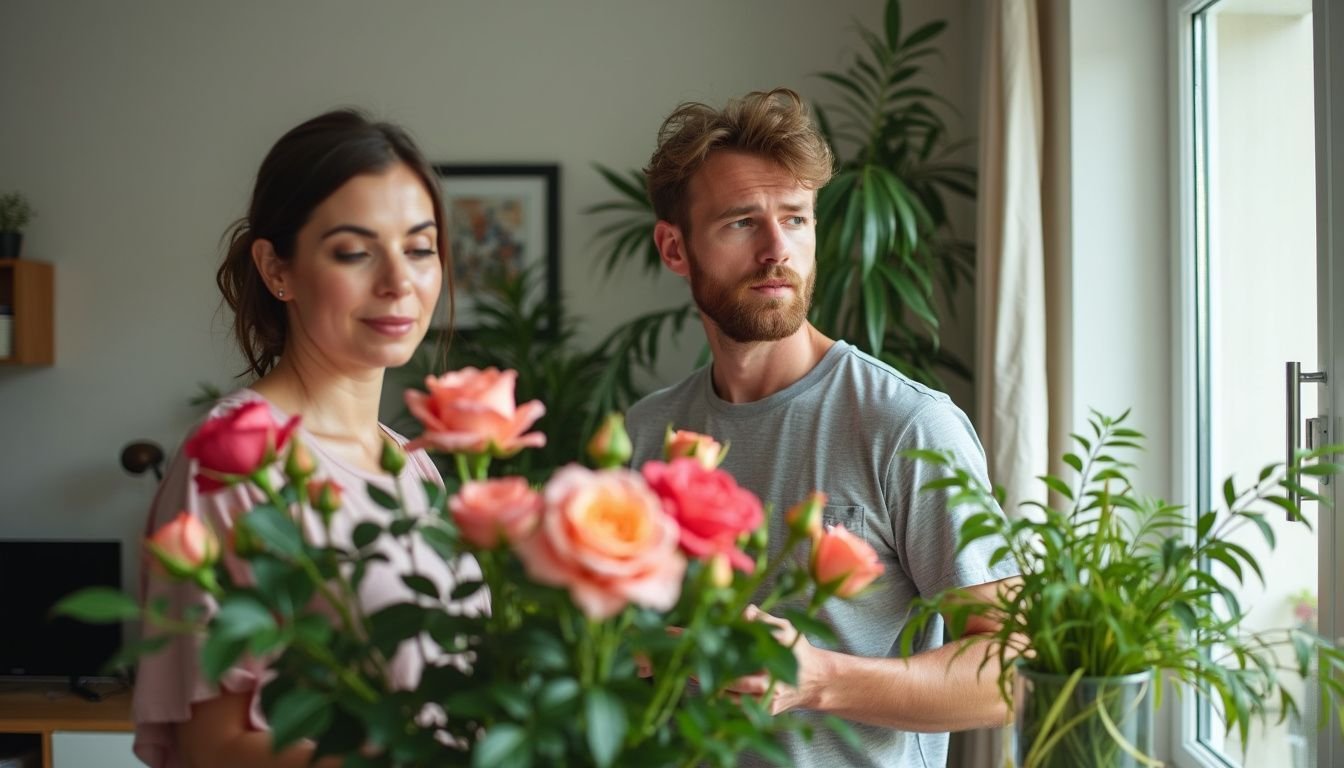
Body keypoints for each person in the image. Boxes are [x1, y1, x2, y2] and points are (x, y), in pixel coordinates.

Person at [625, 88, 1019, 768]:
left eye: (796, 220)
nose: (778, 249)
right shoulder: (649, 430)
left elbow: (1009, 668)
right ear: (675, 247)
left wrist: (818, 680)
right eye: (742, 223)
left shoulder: (907, 425)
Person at [132, 109, 480, 768]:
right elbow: (214, 747)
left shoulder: (414, 467)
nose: (399, 282)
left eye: (420, 247)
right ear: (277, 270)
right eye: (354, 251)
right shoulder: (232, 461)